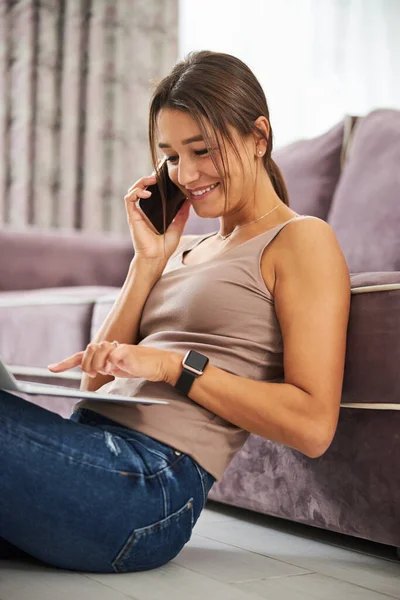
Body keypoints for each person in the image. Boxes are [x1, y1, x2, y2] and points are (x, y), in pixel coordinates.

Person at [0, 50, 351, 573]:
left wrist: (173, 365)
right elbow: (93, 390)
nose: (185, 174)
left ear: (259, 136)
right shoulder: (182, 250)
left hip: (148, 489)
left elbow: (313, 425)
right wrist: (147, 262)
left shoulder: (301, 240)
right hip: (91, 446)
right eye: (170, 156)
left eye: (202, 150)